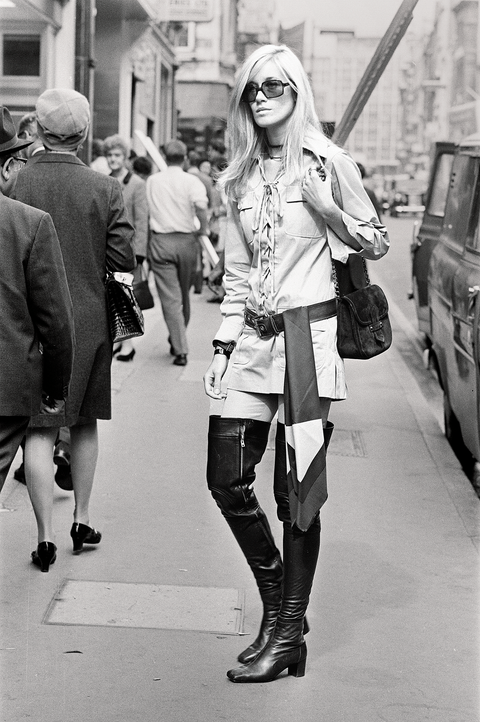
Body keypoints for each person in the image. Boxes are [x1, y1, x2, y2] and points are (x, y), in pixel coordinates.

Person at [203, 44, 389, 683]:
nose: (259, 96)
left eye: (273, 85)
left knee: (296, 496)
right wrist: (224, 345)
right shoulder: (241, 175)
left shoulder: (329, 162)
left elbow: (377, 239)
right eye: (250, 88)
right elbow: (235, 272)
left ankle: (284, 636)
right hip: (252, 341)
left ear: (296, 88)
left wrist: (327, 207)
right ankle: (287, 607)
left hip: (309, 343)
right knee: (225, 476)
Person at [13, 88, 135, 572]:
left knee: (38, 430)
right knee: (82, 421)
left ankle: (43, 537)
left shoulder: (16, 182)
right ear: (84, 136)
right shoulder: (106, 189)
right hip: (86, 320)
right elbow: (122, 262)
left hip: (27, 320)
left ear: (39, 132)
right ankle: (82, 519)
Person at [0, 106, 74, 526]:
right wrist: (55, 388)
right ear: (9, 166)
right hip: (7, 384)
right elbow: (56, 325)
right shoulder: (29, 224)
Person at [146, 139, 209, 366]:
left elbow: (146, 212)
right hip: (186, 242)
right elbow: (201, 207)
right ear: (184, 158)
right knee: (183, 295)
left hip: (161, 242)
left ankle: (179, 344)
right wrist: (203, 228)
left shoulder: (152, 181)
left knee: (170, 299)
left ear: (164, 156)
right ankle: (179, 340)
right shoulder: (191, 181)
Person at [104, 134, 149, 362]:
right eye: (110, 155)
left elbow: (142, 220)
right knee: (112, 296)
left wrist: (140, 255)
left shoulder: (137, 184)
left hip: (128, 251)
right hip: (107, 250)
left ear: (125, 157)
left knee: (125, 297)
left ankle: (126, 346)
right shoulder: (103, 179)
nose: (113, 159)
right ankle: (123, 345)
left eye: (117, 155)